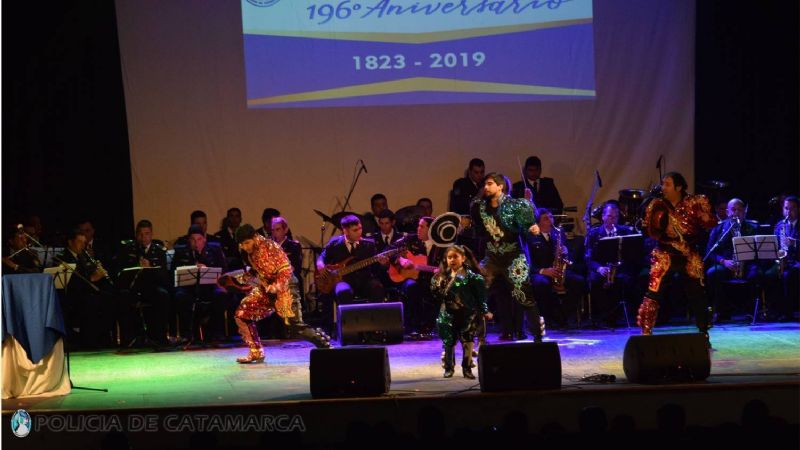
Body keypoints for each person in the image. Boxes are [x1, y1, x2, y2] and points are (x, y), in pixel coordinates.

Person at [233, 224, 330, 363]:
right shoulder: (248, 251)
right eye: (242, 244)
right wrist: (246, 277)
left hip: (285, 286)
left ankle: (323, 344)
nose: (245, 247)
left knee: (294, 325)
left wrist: (277, 286)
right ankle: (256, 352)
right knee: (243, 313)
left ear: (254, 237)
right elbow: (258, 269)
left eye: (247, 243)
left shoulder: (270, 246)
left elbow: (285, 269)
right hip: (267, 288)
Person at [637, 172, 717, 339]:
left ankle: (703, 332)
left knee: (697, 294)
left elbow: (711, 222)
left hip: (689, 254)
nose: (663, 187)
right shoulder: (657, 204)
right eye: (663, 184)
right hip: (664, 254)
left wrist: (704, 217)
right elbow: (648, 230)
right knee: (653, 292)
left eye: (667, 184)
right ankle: (645, 333)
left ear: (678, 187)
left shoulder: (694, 202)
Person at [470, 172, 545, 341]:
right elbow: (477, 222)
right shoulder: (481, 207)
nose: (485, 187)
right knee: (478, 290)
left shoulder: (514, 205)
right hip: (492, 257)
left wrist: (532, 228)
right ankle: (477, 335)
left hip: (513, 257)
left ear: (500, 186)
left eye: (490, 184)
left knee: (524, 295)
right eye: (484, 184)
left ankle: (537, 334)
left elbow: (527, 223)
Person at [431, 245, 492, 379]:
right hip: (448, 314)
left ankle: (467, 368)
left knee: (468, 341)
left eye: (455, 257)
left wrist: (484, 311)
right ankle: (449, 368)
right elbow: (436, 296)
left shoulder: (474, 278)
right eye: (449, 257)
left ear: (463, 258)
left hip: (467, 315)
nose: (452, 260)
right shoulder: (441, 277)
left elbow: (481, 297)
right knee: (448, 341)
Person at [115, 219, 171, 346]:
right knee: (122, 296)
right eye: (140, 234)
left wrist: (150, 267)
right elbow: (121, 273)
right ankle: (129, 338)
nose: (143, 237)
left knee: (163, 295)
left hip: (152, 288)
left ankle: (159, 336)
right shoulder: (128, 249)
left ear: (151, 234)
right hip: (133, 288)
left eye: (147, 234)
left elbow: (164, 276)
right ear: (136, 235)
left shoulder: (159, 251)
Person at [528, 208, 586, 329]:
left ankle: (563, 315)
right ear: (538, 222)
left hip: (558, 271)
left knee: (579, 282)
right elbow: (527, 263)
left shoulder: (557, 234)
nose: (550, 220)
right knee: (541, 284)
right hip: (540, 272)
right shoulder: (531, 238)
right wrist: (543, 271)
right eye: (546, 218)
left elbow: (566, 258)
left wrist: (565, 252)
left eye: (551, 217)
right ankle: (547, 318)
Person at [704, 198, 760, 321]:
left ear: (745, 211)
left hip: (747, 263)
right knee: (713, 273)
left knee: (756, 273)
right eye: (733, 210)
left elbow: (759, 251)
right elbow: (710, 250)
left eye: (740, 210)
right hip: (726, 263)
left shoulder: (752, 228)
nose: (736, 213)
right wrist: (723, 261)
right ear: (727, 212)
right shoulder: (718, 228)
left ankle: (751, 311)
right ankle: (721, 311)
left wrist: (745, 261)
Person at [172, 224, 229, 342]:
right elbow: (174, 272)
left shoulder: (215, 250)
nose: (196, 243)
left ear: (204, 239)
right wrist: (192, 268)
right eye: (193, 240)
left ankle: (217, 332)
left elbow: (223, 270)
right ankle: (186, 334)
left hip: (210, 287)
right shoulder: (181, 251)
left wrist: (206, 269)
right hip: (189, 288)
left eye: (199, 239)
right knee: (180, 296)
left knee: (221, 295)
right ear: (189, 241)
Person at [584, 202, 638, 326]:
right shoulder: (594, 233)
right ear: (603, 217)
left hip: (619, 269)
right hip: (600, 269)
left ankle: (618, 316)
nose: (612, 219)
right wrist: (599, 268)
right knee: (595, 281)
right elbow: (587, 257)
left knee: (626, 280)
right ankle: (603, 316)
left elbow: (631, 254)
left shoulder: (624, 232)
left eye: (615, 217)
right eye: (609, 216)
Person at [317, 215, 386, 307]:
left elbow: (377, 267)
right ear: (345, 231)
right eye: (355, 230)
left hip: (365, 280)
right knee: (343, 292)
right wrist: (320, 265)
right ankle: (346, 316)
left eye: (360, 228)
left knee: (377, 288)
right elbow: (322, 258)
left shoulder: (369, 244)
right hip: (344, 281)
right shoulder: (335, 244)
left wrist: (384, 264)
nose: (359, 232)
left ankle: (373, 315)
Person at [394, 216, 445, 336]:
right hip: (411, 278)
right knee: (412, 287)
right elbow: (390, 250)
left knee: (438, 288)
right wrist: (401, 260)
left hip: (430, 279)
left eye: (422, 226)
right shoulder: (410, 239)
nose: (418, 229)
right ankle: (413, 326)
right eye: (418, 226)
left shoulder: (441, 245)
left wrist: (441, 271)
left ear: (431, 229)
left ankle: (430, 326)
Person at [765, 195, 799, 321]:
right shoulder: (780, 225)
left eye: (792, 208)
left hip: (797, 261)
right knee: (768, 275)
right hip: (784, 260)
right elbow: (775, 245)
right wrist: (777, 254)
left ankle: (788, 312)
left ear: (798, 209)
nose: (788, 212)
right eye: (786, 208)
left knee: (788, 276)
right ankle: (774, 310)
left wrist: (795, 243)